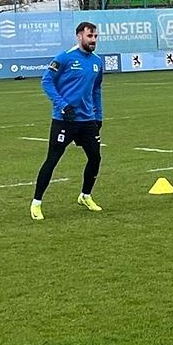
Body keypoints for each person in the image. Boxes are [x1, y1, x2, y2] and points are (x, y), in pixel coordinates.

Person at [30, 21, 104, 220]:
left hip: (87, 120)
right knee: (52, 160)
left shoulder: (97, 62)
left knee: (95, 158)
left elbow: (96, 90)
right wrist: (62, 105)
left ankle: (85, 196)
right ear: (79, 36)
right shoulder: (65, 58)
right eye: (90, 36)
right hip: (64, 120)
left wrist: (99, 116)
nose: (93, 40)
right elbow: (46, 81)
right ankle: (36, 203)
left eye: (95, 36)